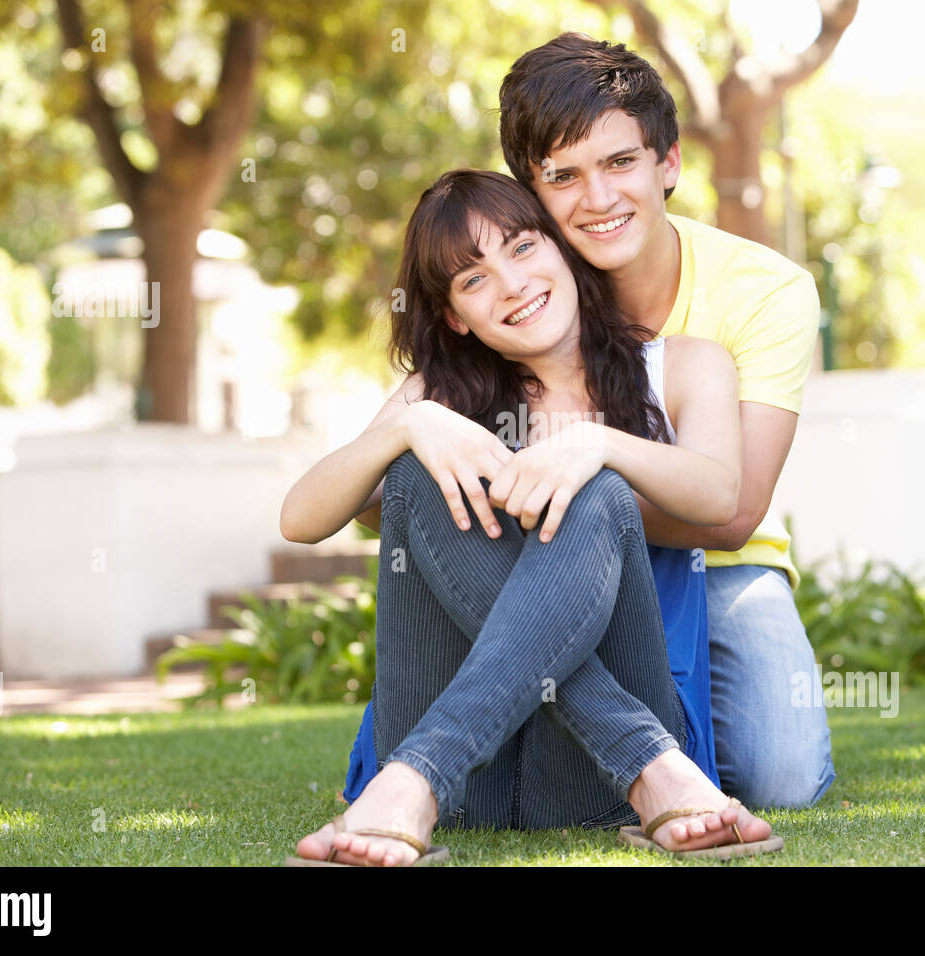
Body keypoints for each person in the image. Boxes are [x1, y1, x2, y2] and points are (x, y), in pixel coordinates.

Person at [281, 169, 778, 865]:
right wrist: (410, 425)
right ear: (454, 315)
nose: (511, 284)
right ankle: (654, 771)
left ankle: (412, 781)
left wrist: (596, 444)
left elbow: (721, 497)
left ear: (560, 248)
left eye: (521, 247)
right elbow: (300, 519)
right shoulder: (438, 394)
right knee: (413, 466)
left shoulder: (686, 366)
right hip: (475, 790)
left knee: (597, 486)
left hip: (591, 774)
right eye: (472, 279)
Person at [498, 33, 836, 809]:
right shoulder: (521, 287)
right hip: (546, 563)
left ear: (669, 164)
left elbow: (734, 511)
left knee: (780, 779)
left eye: (620, 162)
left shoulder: (766, 291)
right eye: (564, 176)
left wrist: (582, 475)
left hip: (722, 564)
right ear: (532, 191)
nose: (598, 197)